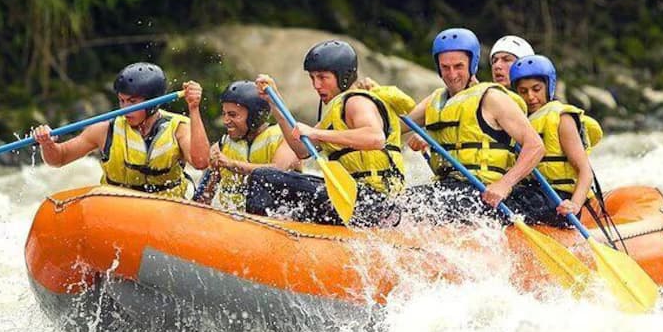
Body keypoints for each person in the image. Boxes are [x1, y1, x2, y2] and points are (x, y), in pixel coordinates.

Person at [249, 40, 415, 226]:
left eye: (322, 77)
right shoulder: (336, 111)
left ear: (343, 77)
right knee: (276, 182)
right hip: (356, 199)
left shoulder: (356, 102)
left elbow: (375, 138)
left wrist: (317, 133)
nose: (316, 85)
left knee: (263, 178)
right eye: (312, 78)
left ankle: (258, 232)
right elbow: (302, 149)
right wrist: (275, 104)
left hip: (374, 202)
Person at [402, 28, 545, 224]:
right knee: (397, 204)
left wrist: (504, 184)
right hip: (446, 188)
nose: (452, 74)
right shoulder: (436, 100)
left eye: (458, 66)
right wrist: (372, 100)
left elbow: (535, 146)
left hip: (482, 193)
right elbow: (396, 125)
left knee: (413, 209)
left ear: (473, 64)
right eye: (445, 67)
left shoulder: (492, 98)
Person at [32, 62, 210, 197]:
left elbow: (201, 162)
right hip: (117, 211)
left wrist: (194, 108)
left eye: (132, 102)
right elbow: (60, 158)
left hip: (166, 210)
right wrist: (47, 144)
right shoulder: (104, 130)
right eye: (122, 101)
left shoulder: (178, 127)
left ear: (153, 103)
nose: (125, 109)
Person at [509, 55, 603, 224]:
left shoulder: (562, 119)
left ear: (548, 87)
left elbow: (585, 171)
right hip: (531, 193)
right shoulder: (518, 121)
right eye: (523, 91)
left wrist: (575, 205)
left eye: (536, 89)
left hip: (558, 199)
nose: (530, 97)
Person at [193, 80, 300, 211]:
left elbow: (278, 170)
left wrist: (232, 164)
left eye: (233, 115)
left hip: (278, 216)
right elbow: (203, 198)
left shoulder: (286, 138)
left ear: (255, 116)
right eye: (224, 114)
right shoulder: (222, 145)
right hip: (232, 218)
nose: (226, 121)